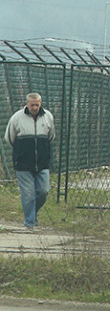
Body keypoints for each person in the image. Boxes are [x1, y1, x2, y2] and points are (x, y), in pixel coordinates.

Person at [4, 92, 55, 229]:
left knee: (43, 191)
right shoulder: (17, 118)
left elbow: (50, 137)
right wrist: (20, 152)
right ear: (27, 104)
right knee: (28, 194)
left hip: (42, 162)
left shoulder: (47, 117)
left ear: (41, 104)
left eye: (37, 105)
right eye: (32, 104)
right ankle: (30, 223)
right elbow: (9, 138)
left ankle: (32, 212)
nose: (34, 107)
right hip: (23, 163)